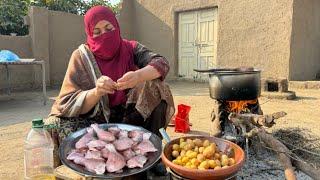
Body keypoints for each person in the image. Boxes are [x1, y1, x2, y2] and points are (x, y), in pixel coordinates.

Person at [45, 6, 175, 177]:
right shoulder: (81, 56)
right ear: (89, 34)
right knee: (54, 124)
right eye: (97, 32)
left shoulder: (130, 48)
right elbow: (68, 102)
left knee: (157, 87)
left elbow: (161, 63)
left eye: (109, 28)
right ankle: (91, 165)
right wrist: (97, 92)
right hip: (94, 119)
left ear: (116, 26)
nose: (104, 35)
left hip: (130, 116)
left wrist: (138, 76)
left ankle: (151, 156)